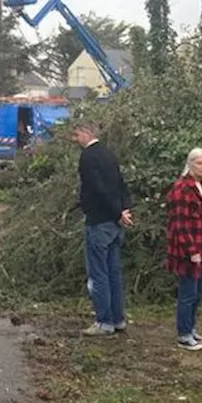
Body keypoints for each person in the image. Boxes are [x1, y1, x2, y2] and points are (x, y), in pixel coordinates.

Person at [72, 121, 132, 336]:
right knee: (114, 272)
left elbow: (98, 188)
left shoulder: (88, 157)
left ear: (87, 133)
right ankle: (118, 319)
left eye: (77, 134)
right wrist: (124, 210)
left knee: (98, 273)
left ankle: (104, 321)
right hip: (116, 223)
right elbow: (120, 184)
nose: (75, 139)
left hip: (99, 221)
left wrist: (116, 212)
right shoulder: (109, 154)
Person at [166, 147, 202, 351]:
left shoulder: (201, 186)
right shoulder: (181, 188)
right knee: (187, 293)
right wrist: (192, 250)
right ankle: (184, 335)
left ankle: (192, 329)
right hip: (187, 249)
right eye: (199, 163)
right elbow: (180, 224)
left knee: (197, 292)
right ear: (190, 164)